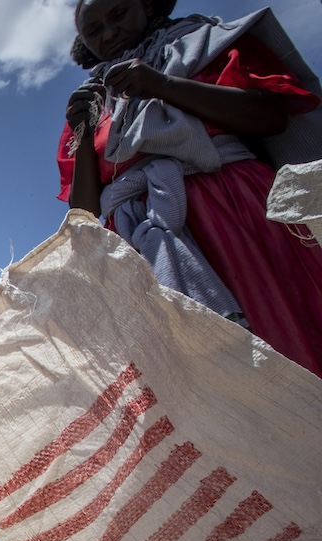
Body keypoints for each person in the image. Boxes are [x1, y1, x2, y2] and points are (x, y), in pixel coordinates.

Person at [59, 0, 322, 377]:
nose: (109, 33)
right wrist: (83, 136)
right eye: (94, 31)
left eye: (117, 14)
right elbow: (84, 212)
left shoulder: (205, 43)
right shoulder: (95, 101)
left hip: (236, 211)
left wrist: (161, 84)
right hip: (142, 245)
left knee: (283, 334)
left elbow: (271, 115)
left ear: (147, 6)